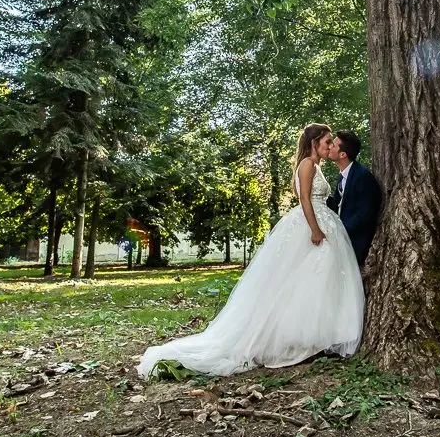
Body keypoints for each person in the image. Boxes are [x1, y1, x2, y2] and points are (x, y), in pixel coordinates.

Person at [136, 123, 364, 378]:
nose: (330, 145)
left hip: (322, 220)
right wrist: (314, 229)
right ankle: (297, 338)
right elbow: (304, 200)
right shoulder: (307, 165)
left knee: (312, 282)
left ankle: (313, 336)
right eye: (326, 141)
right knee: (304, 281)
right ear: (314, 143)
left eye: (332, 142)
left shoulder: (316, 165)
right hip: (310, 224)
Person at [327, 131, 383, 267]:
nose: (329, 147)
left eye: (333, 145)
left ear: (343, 154)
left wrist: (339, 232)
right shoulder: (344, 176)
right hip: (342, 240)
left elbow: (364, 215)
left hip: (355, 245)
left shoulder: (362, 177)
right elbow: (339, 205)